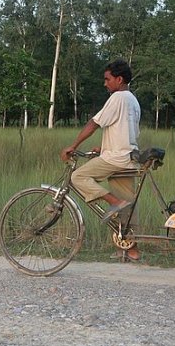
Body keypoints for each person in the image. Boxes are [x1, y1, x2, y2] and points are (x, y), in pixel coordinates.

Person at [60, 59, 141, 261]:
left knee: (78, 177)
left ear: (119, 79)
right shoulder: (132, 99)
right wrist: (103, 148)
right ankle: (131, 250)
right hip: (128, 157)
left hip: (115, 159)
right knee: (128, 205)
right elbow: (125, 131)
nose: (105, 83)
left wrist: (73, 146)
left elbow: (95, 123)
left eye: (107, 79)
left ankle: (114, 202)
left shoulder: (117, 98)